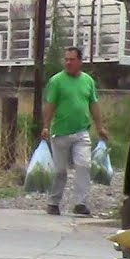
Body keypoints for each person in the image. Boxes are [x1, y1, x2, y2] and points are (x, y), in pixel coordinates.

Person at [41, 46, 109, 216]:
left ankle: (80, 202)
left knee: (84, 165)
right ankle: (53, 202)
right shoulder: (56, 81)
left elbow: (93, 104)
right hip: (60, 133)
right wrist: (45, 126)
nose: (68, 62)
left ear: (80, 61)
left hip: (81, 133)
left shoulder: (88, 81)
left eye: (72, 59)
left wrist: (99, 126)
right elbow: (50, 105)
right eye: (66, 59)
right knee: (60, 171)